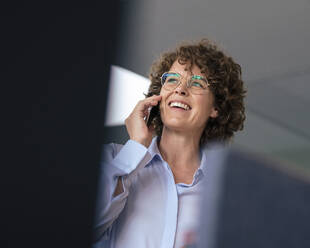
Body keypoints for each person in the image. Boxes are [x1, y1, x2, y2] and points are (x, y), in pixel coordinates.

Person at [93, 39, 246, 248]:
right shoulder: (112, 159)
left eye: (197, 83)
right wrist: (136, 146)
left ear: (215, 108)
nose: (180, 89)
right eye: (172, 79)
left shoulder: (223, 192)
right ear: (159, 94)